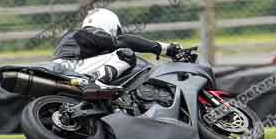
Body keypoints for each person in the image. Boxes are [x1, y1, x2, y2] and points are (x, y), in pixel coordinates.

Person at [52, 8, 184, 91]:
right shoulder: (91, 32)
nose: (117, 34)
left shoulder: (82, 38)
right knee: (125, 54)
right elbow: (124, 41)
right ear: (109, 23)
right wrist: (164, 49)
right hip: (71, 68)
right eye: (117, 31)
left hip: (65, 69)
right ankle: (97, 84)